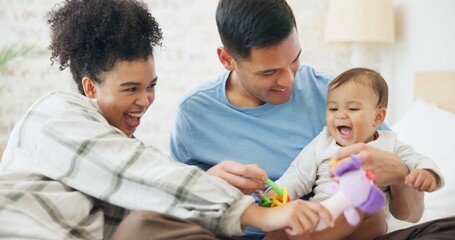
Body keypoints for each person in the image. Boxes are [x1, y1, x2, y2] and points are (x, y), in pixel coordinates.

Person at [0, 0, 333, 239]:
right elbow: (138, 172)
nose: (144, 100)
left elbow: (149, 189)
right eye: (130, 88)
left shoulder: (119, 148)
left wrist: (209, 180)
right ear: (90, 87)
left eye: (151, 86)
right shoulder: (54, 114)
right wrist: (262, 214)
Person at [169, 0, 431, 238]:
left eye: (294, 60)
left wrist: (399, 173)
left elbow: (411, 215)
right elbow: (176, 210)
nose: (288, 80)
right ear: (227, 59)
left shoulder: (336, 98)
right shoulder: (194, 115)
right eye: (269, 71)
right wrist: (208, 186)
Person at [263, 68, 444, 240]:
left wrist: (427, 173)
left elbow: (419, 161)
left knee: (362, 198)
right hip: (323, 215)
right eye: (333, 109)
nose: (340, 115)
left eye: (352, 109)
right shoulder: (323, 141)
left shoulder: (390, 144)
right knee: (279, 229)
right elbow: (298, 175)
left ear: (378, 117)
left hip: (366, 226)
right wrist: (277, 195)